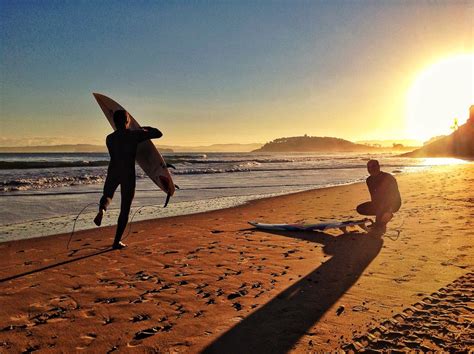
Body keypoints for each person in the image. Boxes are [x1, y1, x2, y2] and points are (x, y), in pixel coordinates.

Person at [94, 110, 162, 249]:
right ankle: (116, 241)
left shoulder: (109, 138)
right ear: (127, 121)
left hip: (113, 170)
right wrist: (142, 129)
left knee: (107, 195)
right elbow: (158, 133)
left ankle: (102, 210)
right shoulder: (134, 135)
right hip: (127, 173)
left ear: (114, 122)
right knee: (125, 208)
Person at [357, 159, 401, 232]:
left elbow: (394, 196)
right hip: (379, 203)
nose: (371, 169)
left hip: (394, 203)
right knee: (360, 208)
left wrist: (389, 210)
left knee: (379, 225)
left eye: (373, 166)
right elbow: (373, 197)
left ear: (378, 167)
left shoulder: (388, 178)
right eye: (369, 167)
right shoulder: (369, 180)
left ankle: (386, 216)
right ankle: (380, 220)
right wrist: (377, 209)